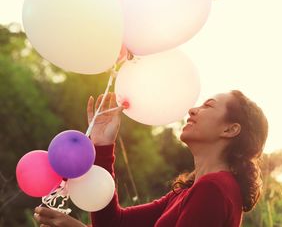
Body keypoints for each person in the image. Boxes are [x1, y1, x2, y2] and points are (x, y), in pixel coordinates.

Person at [34, 90, 268, 227]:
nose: (193, 110)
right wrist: (103, 144)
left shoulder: (214, 190)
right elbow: (113, 224)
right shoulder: (189, 191)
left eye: (208, 106)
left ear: (230, 130)